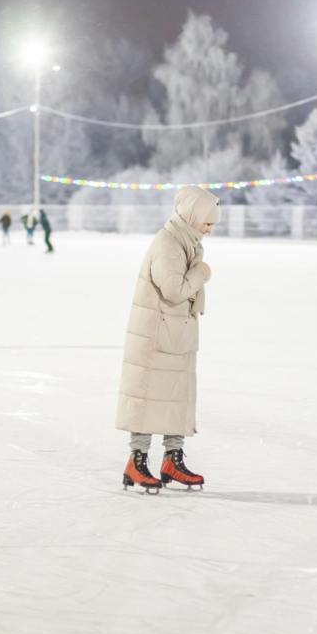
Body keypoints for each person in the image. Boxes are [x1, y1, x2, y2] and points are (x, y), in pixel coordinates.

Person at [116, 186, 220, 494]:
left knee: (176, 397)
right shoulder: (169, 244)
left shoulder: (186, 241)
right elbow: (174, 289)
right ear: (191, 216)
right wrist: (202, 273)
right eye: (207, 222)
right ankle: (137, 460)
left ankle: (172, 460)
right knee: (149, 397)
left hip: (175, 335)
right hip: (157, 335)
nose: (210, 229)